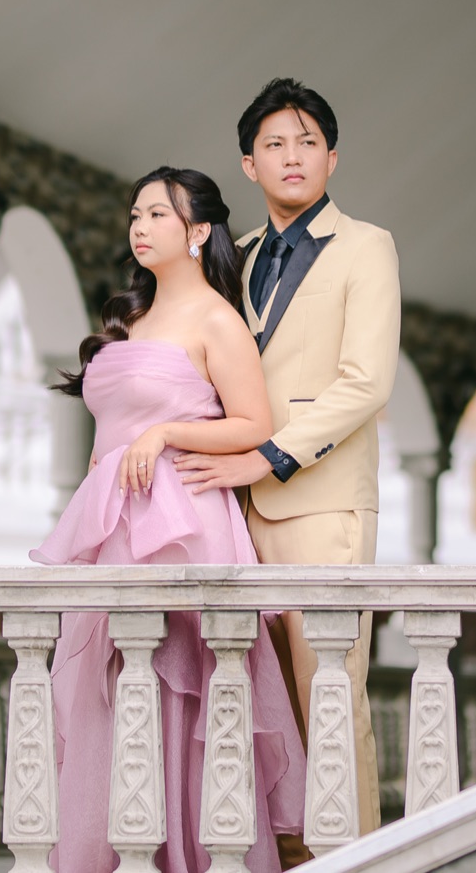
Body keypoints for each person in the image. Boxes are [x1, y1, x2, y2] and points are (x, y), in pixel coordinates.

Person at [31, 166, 306, 873]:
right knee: (113, 690)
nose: (140, 226)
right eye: (135, 215)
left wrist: (165, 435)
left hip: (183, 521)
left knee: (182, 687)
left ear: (199, 231)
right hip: (116, 522)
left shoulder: (218, 319)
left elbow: (255, 424)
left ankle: (187, 855)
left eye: (158, 214)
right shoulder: (129, 319)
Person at [174, 78, 400, 836]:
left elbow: (366, 382)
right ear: (250, 164)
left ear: (332, 157)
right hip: (233, 512)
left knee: (329, 699)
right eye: (275, 144)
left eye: (308, 142)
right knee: (255, 709)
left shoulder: (367, 246)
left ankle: (349, 856)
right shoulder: (232, 256)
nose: (292, 155)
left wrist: (269, 455)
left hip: (322, 506)